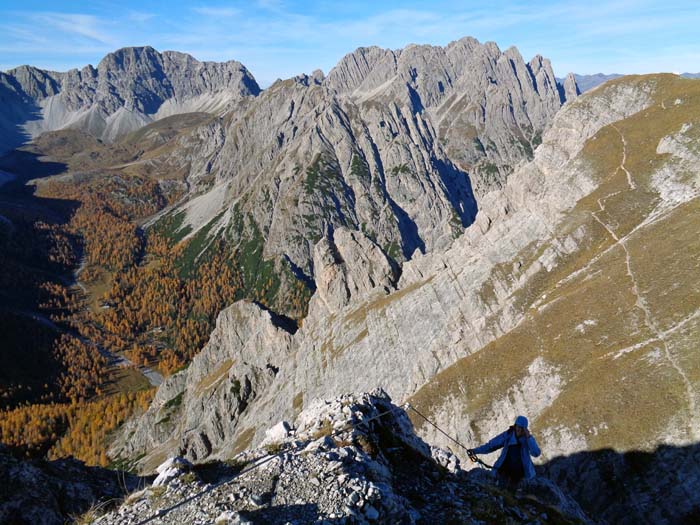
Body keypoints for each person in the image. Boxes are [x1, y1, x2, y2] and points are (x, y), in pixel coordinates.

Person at [468, 415, 541, 489]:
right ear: (515, 426)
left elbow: (536, 453)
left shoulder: (527, 439)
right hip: (505, 471)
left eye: (521, 428)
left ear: (525, 430)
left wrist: (529, 437)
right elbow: (491, 446)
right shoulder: (508, 435)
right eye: (518, 427)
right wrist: (475, 451)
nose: (519, 430)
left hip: (520, 474)